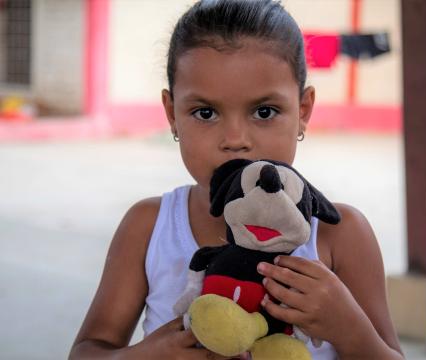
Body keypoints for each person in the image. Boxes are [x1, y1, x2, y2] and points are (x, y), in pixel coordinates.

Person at [69, 1, 404, 359]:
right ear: (172, 114)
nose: (235, 139)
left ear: (303, 110)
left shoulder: (340, 234)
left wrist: (349, 328)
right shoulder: (150, 228)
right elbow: (87, 351)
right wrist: (143, 355)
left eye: (264, 112)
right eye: (205, 112)